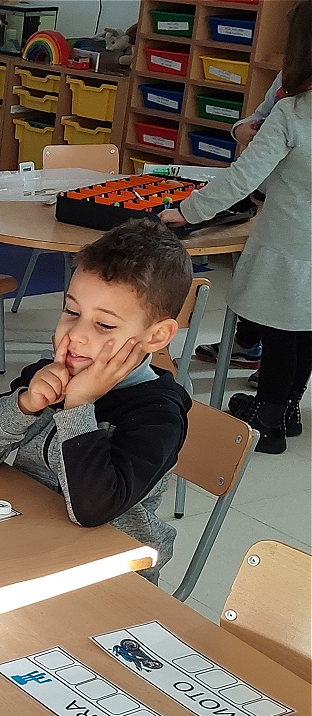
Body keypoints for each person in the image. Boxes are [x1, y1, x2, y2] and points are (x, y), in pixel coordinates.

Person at [0, 220, 192, 580]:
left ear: (156, 337)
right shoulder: (48, 375)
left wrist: (78, 409)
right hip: (27, 545)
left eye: (104, 325)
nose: (76, 335)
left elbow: (93, 510)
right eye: (72, 312)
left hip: (108, 575)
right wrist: (24, 405)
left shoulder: (158, 414)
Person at [162, 0, 311, 454]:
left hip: (287, 237)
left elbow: (242, 178)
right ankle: (287, 408)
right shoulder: (288, 104)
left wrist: (188, 212)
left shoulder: (295, 111)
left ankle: (268, 421)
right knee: (304, 327)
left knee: (281, 329)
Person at [191, 71, 286, 369]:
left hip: (290, 204)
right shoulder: (289, 74)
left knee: (284, 296)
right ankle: (248, 343)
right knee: (254, 275)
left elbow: (241, 177)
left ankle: (277, 372)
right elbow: (258, 116)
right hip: (265, 194)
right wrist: (241, 130)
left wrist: (189, 212)